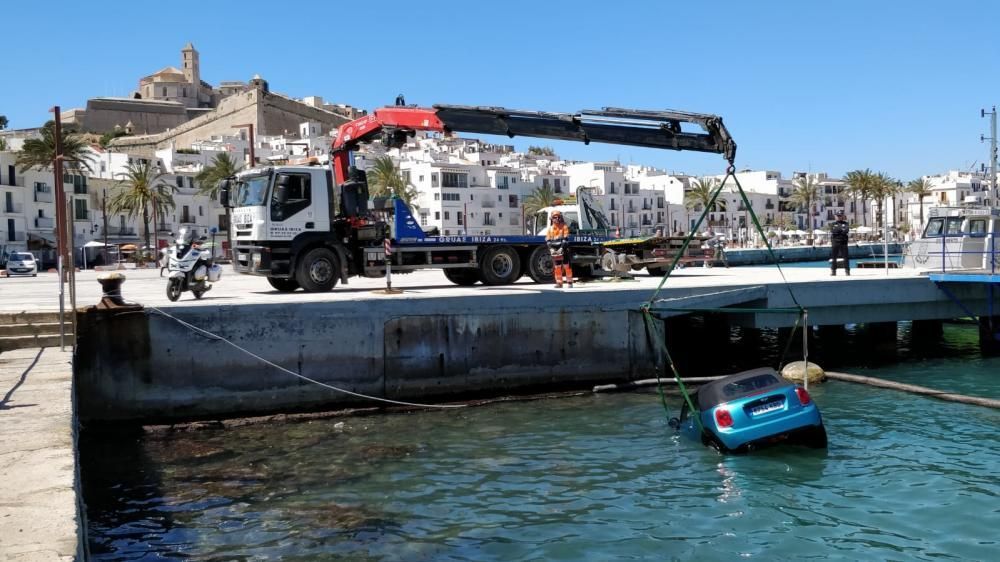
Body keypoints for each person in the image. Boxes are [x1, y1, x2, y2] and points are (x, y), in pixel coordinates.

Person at [546, 210, 573, 288]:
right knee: (557, 267)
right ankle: (559, 282)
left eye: (558, 217)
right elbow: (548, 241)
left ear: (560, 218)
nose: (556, 218)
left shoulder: (564, 226)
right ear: (552, 218)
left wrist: (562, 247)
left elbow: (565, 238)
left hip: (563, 249)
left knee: (566, 265)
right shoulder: (550, 229)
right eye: (554, 217)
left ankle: (569, 282)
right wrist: (551, 248)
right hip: (554, 250)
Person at [830, 210, 850, 276]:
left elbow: (846, 231)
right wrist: (841, 229)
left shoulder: (846, 223)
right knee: (834, 257)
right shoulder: (833, 224)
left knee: (846, 257)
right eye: (838, 216)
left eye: (840, 216)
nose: (839, 217)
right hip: (835, 242)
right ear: (836, 216)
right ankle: (833, 271)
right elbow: (833, 231)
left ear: (842, 216)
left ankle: (847, 271)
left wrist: (838, 230)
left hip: (843, 242)